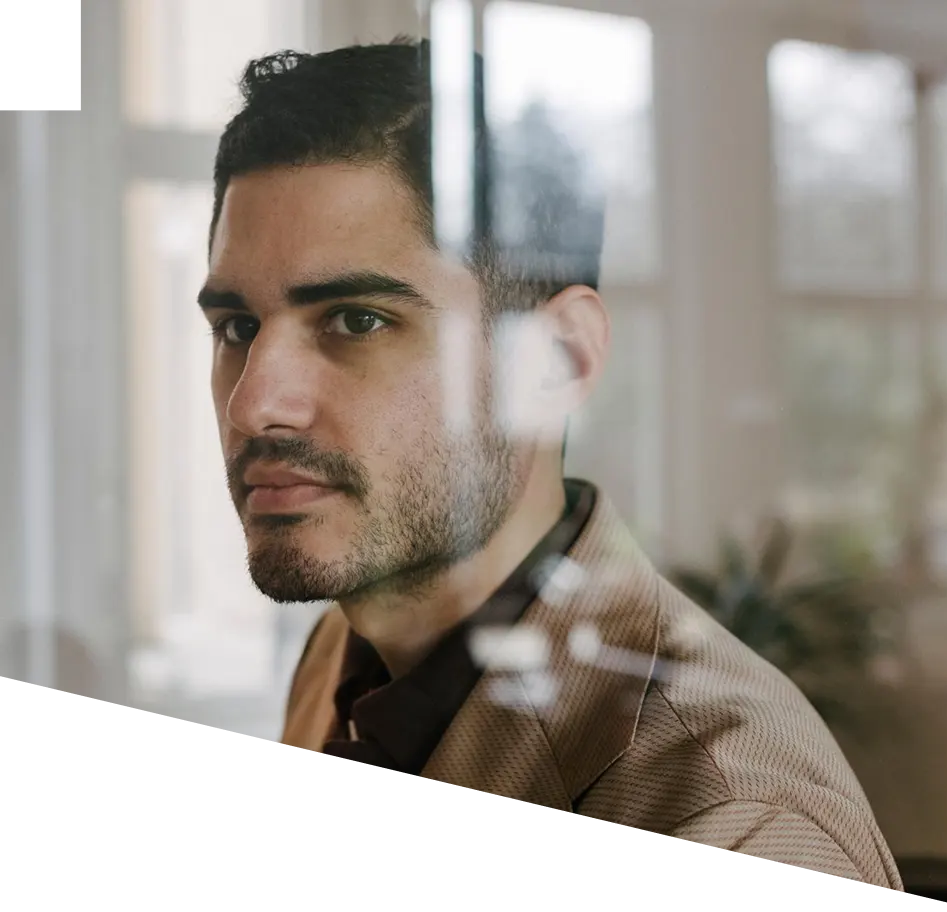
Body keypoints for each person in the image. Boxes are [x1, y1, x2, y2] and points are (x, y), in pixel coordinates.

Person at [201, 38, 903, 891]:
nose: (254, 404)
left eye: (355, 321)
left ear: (558, 364)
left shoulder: (734, 821)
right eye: (238, 327)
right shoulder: (342, 651)